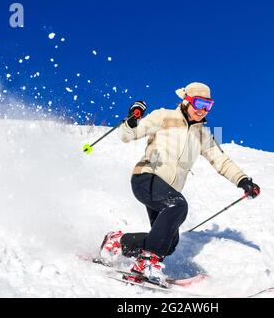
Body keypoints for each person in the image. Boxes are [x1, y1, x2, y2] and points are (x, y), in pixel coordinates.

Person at [99, 82, 260, 285]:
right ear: (186, 101)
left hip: (167, 190)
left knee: (170, 243)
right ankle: (147, 262)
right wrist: (132, 120)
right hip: (146, 177)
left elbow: (221, 160)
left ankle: (117, 241)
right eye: (199, 103)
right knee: (177, 205)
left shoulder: (203, 135)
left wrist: (243, 180)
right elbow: (127, 135)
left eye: (208, 105)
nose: (203, 110)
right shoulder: (164, 116)